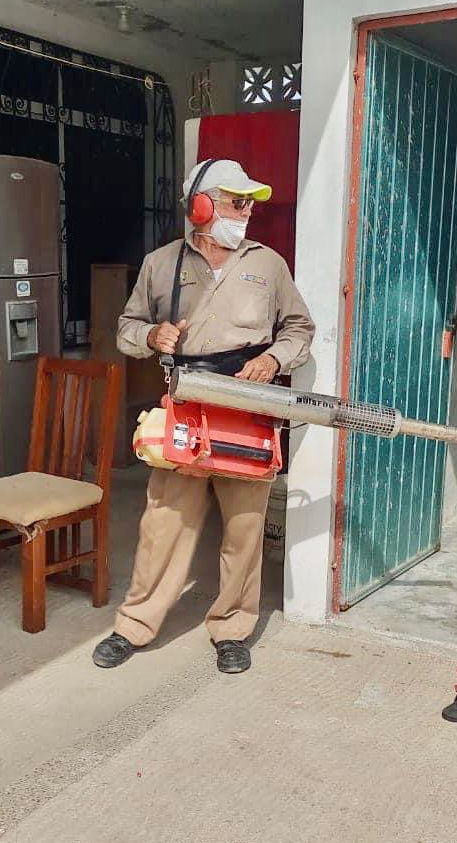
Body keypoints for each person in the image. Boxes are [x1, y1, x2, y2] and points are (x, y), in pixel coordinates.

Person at [92, 158, 315, 674]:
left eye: (250, 203)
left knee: (244, 527)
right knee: (164, 522)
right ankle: (135, 625)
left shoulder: (269, 264)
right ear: (201, 207)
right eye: (237, 201)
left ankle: (232, 628)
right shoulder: (161, 264)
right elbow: (126, 328)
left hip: (248, 406)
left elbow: (299, 328)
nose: (247, 211)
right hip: (187, 405)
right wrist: (152, 335)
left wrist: (273, 359)